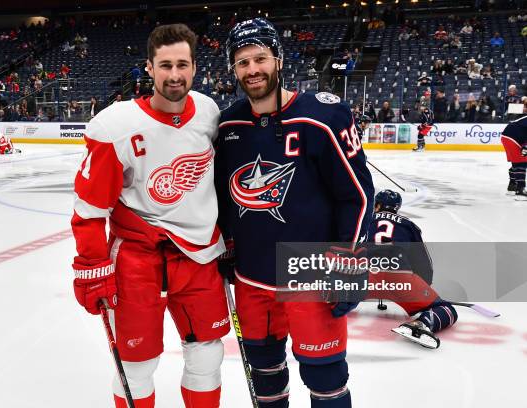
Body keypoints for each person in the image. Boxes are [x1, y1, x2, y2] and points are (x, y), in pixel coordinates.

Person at [215, 18, 374, 408]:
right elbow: (222, 196)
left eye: (260, 58)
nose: (252, 70)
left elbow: (358, 197)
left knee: (326, 378)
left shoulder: (323, 116)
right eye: (242, 62)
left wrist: (350, 265)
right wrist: (228, 242)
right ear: (233, 70)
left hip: (311, 274)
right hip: (252, 278)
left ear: (279, 59)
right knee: (265, 376)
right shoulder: (229, 123)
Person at [70, 24, 229, 408]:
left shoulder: (209, 112)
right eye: (165, 65)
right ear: (149, 68)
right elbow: (90, 209)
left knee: (207, 355)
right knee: (137, 363)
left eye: (182, 65)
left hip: (200, 255)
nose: (174, 75)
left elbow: (222, 184)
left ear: (194, 67)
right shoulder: (117, 126)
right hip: (138, 259)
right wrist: (92, 266)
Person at [367, 190, 459, 348]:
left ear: (377, 205)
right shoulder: (408, 225)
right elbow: (422, 261)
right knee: (446, 309)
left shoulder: (363, 219)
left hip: (363, 276)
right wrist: (424, 287)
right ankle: (422, 324)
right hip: (398, 277)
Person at [501, 115, 527, 199]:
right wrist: (526, 145)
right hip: (513, 137)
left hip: (507, 136)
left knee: (517, 162)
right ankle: (520, 189)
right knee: (521, 162)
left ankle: (512, 185)